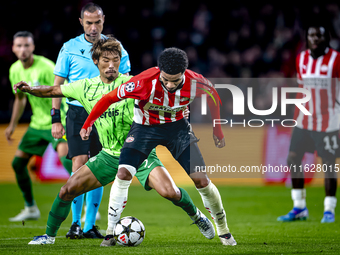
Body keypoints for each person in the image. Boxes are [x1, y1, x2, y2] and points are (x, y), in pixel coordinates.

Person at [14, 36, 215, 246]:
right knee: (67, 190)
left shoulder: (132, 83)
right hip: (108, 156)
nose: (111, 65)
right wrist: (30, 89)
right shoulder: (83, 87)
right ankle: (49, 236)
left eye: (115, 60)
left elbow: (164, 90)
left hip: (141, 153)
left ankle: (197, 216)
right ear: (95, 61)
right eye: (105, 60)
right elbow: (54, 90)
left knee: (170, 192)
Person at [80, 47, 237, 246]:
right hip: (145, 129)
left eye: (176, 80)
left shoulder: (196, 82)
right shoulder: (142, 82)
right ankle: (111, 233)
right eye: (166, 79)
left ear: (184, 73)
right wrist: (88, 123)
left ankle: (223, 231)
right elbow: (108, 98)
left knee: (202, 180)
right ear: (159, 71)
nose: (170, 85)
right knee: (123, 174)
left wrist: (218, 130)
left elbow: (215, 97)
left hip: (178, 130)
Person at [51, 3, 131, 239]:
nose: (93, 27)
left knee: (98, 165)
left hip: (106, 112)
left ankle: (89, 226)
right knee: (79, 164)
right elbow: (58, 86)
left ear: (103, 20)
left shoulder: (115, 48)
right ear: (81, 22)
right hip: (78, 111)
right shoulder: (69, 48)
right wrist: (55, 118)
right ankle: (75, 224)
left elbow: (127, 82)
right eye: (89, 23)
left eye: (97, 22)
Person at [6, 31, 72, 222]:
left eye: (26, 45)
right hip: (37, 124)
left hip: (58, 120)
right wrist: (12, 125)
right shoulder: (14, 70)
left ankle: (86, 209)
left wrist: (56, 119)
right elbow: (19, 99)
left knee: (69, 162)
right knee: (17, 164)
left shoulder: (46, 67)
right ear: (13, 48)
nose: (23, 49)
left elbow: (59, 91)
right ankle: (30, 208)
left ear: (33, 47)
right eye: (19, 45)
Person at [277, 23, 339, 223]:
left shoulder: (336, 60)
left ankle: (329, 209)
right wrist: (295, 118)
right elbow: (301, 90)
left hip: (328, 120)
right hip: (304, 120)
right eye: (311, 36)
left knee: (328, 163)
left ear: (326, 38)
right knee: (293, 158)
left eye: (319, 36)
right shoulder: (301, 59)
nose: (315, 39)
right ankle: (299, 207)